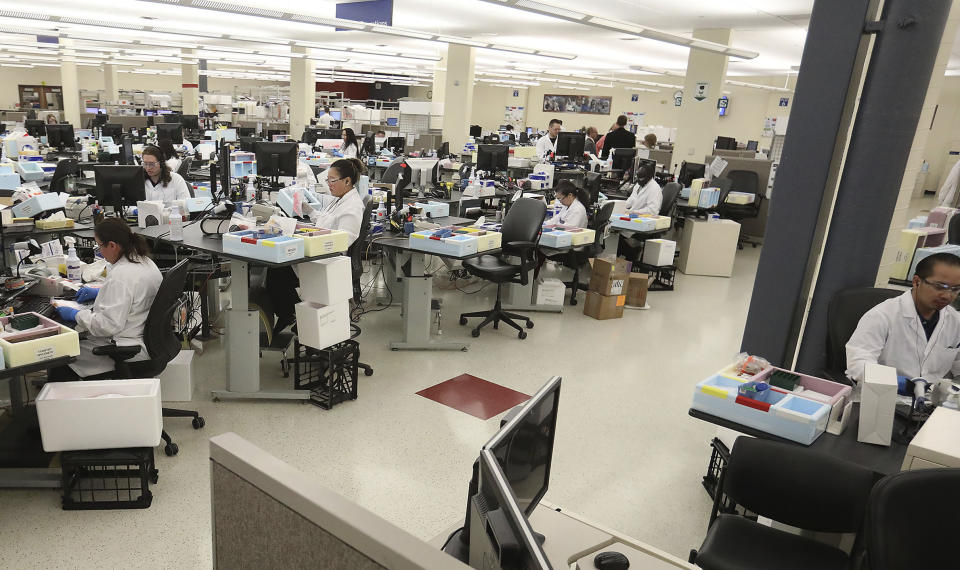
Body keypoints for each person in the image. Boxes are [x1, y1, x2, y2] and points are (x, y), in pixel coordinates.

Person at [55, 218, 163, 378]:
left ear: (112, 245)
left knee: (61, 354)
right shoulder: (144, 260)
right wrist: (102, 293)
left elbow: (108, 326)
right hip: (147, 340)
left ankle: (60, 400)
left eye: (99, 246)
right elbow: (134, 295)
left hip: (125, 348)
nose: (99, 252)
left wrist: (75, 315)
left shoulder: (121, 275)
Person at [269, 158, 367, 333]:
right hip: (322, 251)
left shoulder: (352, 207)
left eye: (332, 180)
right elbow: (327, 222)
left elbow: (343, 240)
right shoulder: (340, 199)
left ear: (347, 181)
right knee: (275, 270)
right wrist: (308, 211)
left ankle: (293, 315)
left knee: (277, 272)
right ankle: (292, 315)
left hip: (329, 260)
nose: (328, 184)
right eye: (327, 180)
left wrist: (309, 238)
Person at [846, 253, 960, 397]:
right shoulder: (882, 315)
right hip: (883, 397)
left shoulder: (956, 322)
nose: (947, 295)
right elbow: (858, 364)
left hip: (932, 401)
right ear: (916, 282)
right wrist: (896, 382)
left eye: (955, 289)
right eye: (939, 287)